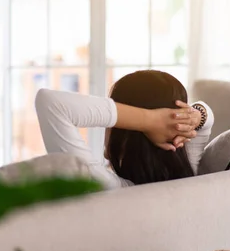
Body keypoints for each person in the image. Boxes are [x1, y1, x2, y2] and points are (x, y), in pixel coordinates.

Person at [35, 70, 214, 190]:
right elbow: (207, 116)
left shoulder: (105, 186)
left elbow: (50, 103)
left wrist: (150, 120)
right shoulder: (189, 175)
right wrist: (196, 116)